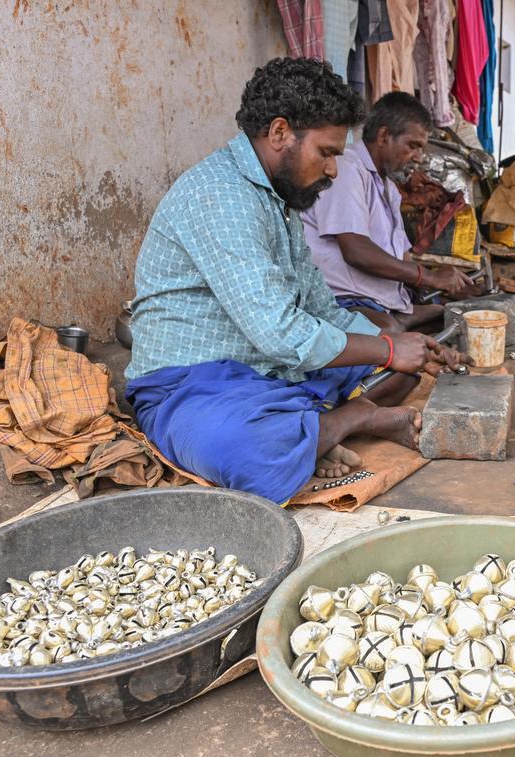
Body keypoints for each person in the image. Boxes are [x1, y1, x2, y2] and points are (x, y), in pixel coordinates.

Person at [125, 59, 466, 505]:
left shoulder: (278, 201)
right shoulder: (222, 196)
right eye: (326, 153)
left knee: (401, 372)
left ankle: (312, 430)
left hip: (272, 371)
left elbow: (321, 309)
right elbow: (279, 333)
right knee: (250, 450)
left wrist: (401, 348)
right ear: (281, 133)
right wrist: (387, 348)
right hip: (193, 382)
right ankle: (350, 420)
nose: (333, 171)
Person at [302, 91, 475, 334]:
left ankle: (402, 322)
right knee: (393, 335)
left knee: (453, 317)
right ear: (384, 135)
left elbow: (402, 257)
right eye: (413, 146)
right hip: (341, 301)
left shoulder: (388, 187)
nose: (419, 158)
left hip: (382, 301)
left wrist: (452, 285)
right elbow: (356, 251)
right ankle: (398, 326)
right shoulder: (347, 169)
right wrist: (427, 277)